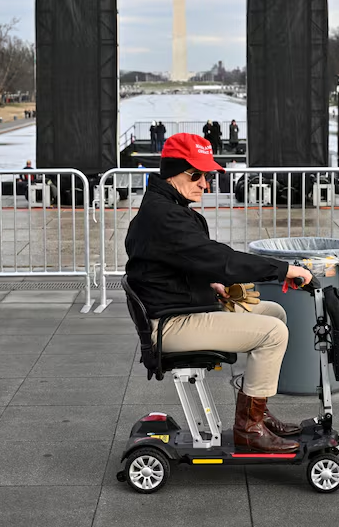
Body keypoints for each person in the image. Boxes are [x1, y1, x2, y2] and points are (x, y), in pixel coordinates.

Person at [125, 132, 314, 453]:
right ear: (173, 171)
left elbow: (176, 263)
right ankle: (249, 428)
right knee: (273, 333)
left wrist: (210, 286)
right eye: (196, 175)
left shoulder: (165, 207)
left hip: (177, 307)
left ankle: (258, 412)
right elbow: (220, 259)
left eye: (207, 176)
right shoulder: (165, 216)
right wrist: (284, 269)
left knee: (275, 313)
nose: (204, 184)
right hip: (171, 324)